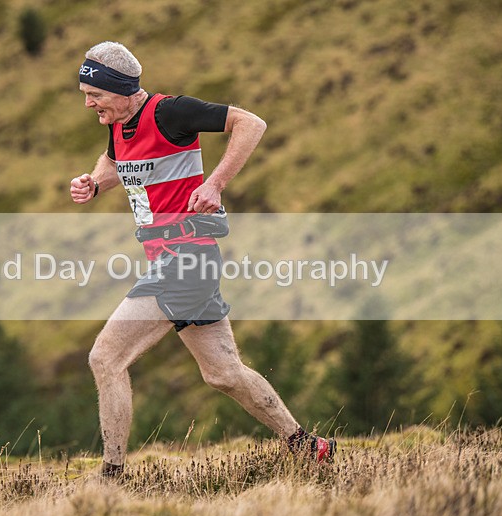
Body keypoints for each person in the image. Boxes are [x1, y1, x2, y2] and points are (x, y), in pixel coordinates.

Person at [70, 41, 335, 477]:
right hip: (180, 258)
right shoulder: (119, 124)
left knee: (105, 359)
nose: (88, 103)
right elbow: (115, 160)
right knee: (223, 374)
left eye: (94, 94)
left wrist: (215, 184)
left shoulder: (170, 112)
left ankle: (111, 478)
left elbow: (251, 123)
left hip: (185, 258)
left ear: (119, 90)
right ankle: (308, 446)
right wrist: (95, 183)